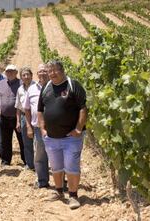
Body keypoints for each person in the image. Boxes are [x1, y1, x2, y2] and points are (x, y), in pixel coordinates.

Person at [38, 60, 87, 209]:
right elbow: (40, 110)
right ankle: (59, 192)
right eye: (49, 71)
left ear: (62, 70)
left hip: (70, 138)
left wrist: (78, 129)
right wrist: (42, 129)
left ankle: (73, 195)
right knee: (56, 167)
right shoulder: (46, 87)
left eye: (55, 70)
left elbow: (83, 109)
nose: (52, 73)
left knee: (72, 167)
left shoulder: (73, 85)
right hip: (51, 138)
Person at [23, 64, 50, 188]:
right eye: (40, 71)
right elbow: (27, 110)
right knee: (40, 156)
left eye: (45, 71)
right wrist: (29, 126)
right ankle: (42, 181)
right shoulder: (32, 89)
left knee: (58, 155)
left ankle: (62, 183)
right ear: (37, 74)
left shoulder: (55, 86)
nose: (43, 73)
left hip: (56, 128)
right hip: (38, 128)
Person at [0, 64, 25, 166]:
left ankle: (26, 160)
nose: (10, 73)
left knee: (22, 140)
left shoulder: (22, 83)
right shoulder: (0, 83)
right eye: (8, 71)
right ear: (5, 73)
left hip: (18, 117)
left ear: (16, 73)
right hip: (4, 117)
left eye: (12, 71)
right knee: (5, 140)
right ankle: (5, 161)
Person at [15, 66, 35, 170]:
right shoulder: (20, 89)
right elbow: (18, 107)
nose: (26, 76)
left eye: (28, 74)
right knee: (26, 142)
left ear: (32, 76)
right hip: (23, 117)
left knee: (38, 142)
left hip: (36, 116)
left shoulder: (37, 87)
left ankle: (40, 164)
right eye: (24, 75)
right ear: (21, 77)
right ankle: (30, 164)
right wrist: (18, 121)